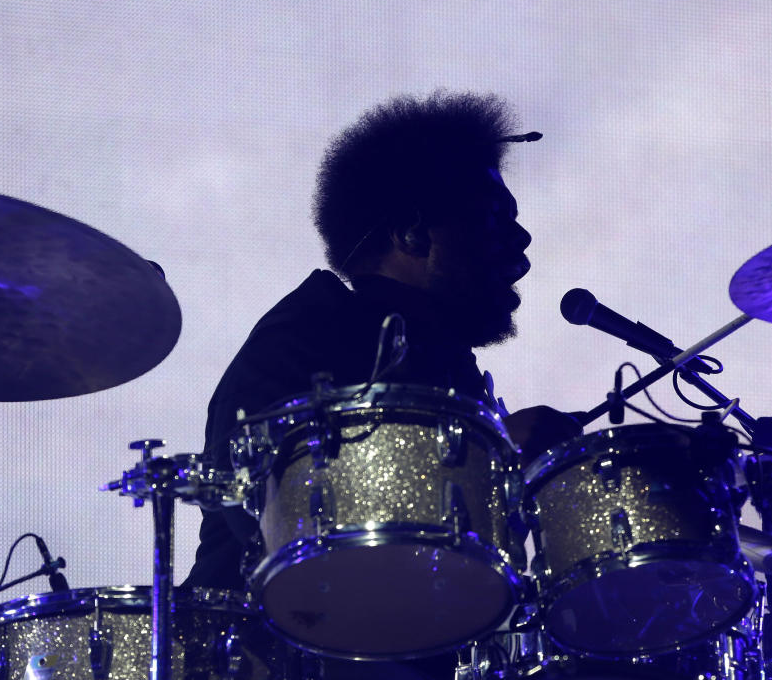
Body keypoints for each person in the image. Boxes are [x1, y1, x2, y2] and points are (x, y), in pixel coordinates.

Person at [184, 90, 581, 677]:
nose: (521, 247)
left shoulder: (451, 371)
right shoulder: (314, 329)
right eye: (494, 220)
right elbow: (270, 518)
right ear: (414, 237)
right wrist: (494, 462)